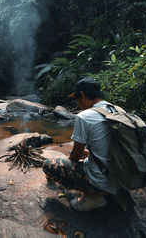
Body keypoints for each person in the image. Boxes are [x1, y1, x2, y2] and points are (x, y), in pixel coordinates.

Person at [43, 78, 120, 211]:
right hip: (122, 176)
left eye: (77, 99)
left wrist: (70, 161)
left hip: (101, 180)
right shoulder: (117, 110)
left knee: (48, 166)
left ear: (82, 95)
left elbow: (75, 155)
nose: (77, 103)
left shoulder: (85, 116)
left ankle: (93, 197)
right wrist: (90, 153)